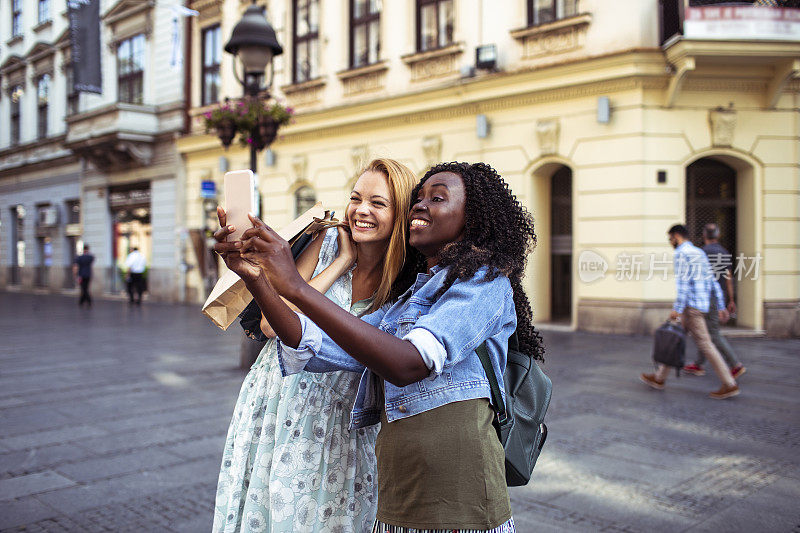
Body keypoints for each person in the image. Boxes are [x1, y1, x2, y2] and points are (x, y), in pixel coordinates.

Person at [219, 161, 545, 532]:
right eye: (418, 198)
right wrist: (258, 279)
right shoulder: (411, 298)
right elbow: (315, 344)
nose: (419, 205)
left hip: (461, 501)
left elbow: (408, 363)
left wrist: (296, 286)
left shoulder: (484, 284)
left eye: (436, 198)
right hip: (398, 496)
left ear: (473, 219)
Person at [212, 159, 418, 533]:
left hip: (345, 422)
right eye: (356, 198)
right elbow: (271, 323)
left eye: (378, 203)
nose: (362, 210)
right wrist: (341, 262)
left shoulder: (406, 284)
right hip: (281, 398)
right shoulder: (325, 244)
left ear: (400, 214)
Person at [641, 224, 740, 399]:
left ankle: (729, 384)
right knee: (675, 341)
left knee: (706, 345)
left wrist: (677, 309)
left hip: (691, 308)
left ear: (677, 236)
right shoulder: (699, 252)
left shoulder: (681, 254)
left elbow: (684, 284)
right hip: (700, 305)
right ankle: (659, 378)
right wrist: (721, 306)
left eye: (670, 238)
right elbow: (712, 282)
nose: (670, 242)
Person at [683, 223, 746, 378]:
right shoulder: (724, 252)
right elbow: (728, 278)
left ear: (704, 236)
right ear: (718, 236)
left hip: (706, 298)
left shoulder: (702, 253)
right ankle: (698, 364)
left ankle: (735, 364)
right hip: (718, 297)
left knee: (712, 333)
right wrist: (730, 300)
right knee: (705, 332)